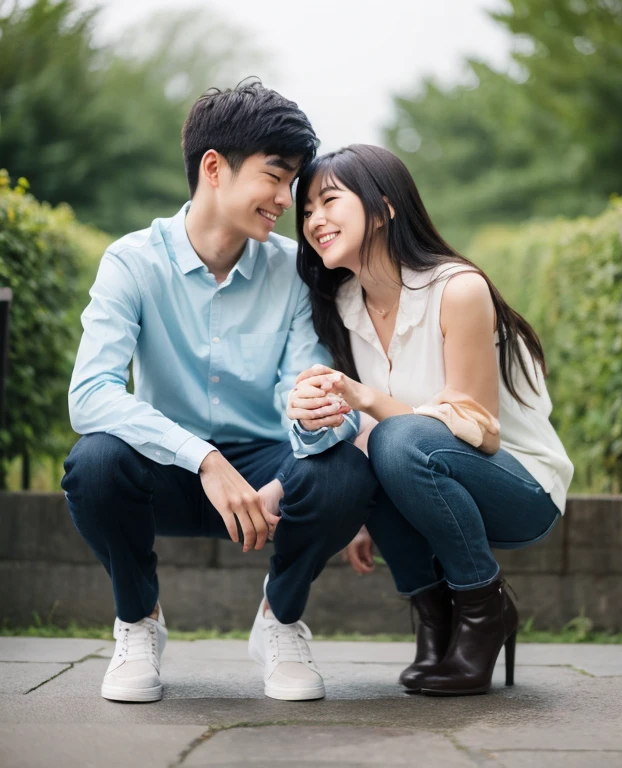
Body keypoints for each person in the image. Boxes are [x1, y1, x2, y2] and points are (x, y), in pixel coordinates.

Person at [61, 81, 376, 703]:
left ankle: (279, 621)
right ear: (214, 168)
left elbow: (314, 391)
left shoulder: (294, 269)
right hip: (170, 469)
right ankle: (138, 620)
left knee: (343, 470)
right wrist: (202, 458)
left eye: (294, 185)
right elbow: (90, 394)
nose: (288, 201)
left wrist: (311, 417)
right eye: (275, 178)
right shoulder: (131, 262)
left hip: (269, 483)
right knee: (94, 461)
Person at [288, 144, 574, 696]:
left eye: (329, 201)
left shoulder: (457, 289)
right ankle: (435, 621)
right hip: (427, 473)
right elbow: (368, 435)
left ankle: (484, 614)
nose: (314, 220)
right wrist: (363, 509)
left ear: (384, 207)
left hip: (519, 486)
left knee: (395, 437)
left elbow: (477, 428)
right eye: (305, 212)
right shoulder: (343, 305)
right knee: (360, 453)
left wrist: (364, 397)